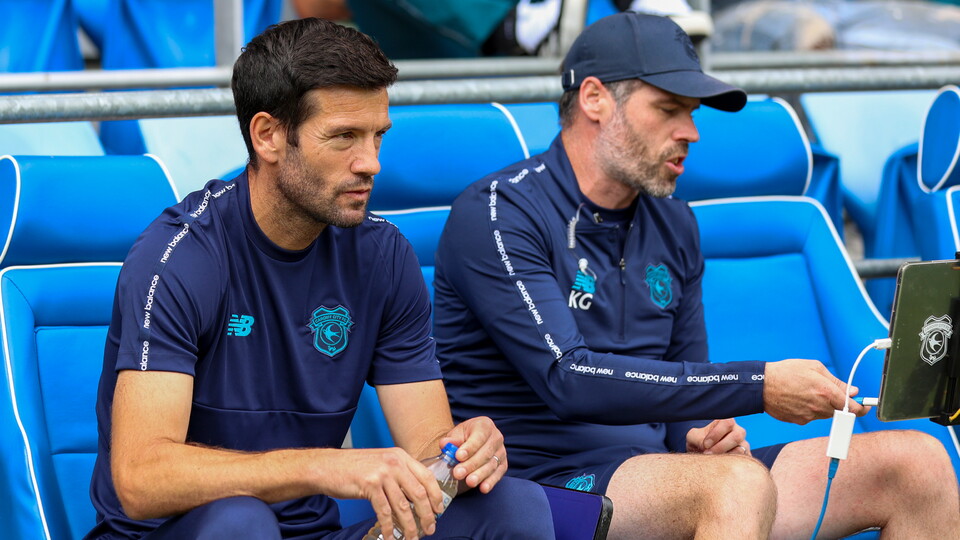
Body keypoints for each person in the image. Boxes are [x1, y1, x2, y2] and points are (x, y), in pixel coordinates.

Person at [433, 11, 960, 539]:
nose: (691, 132)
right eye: (668, 109)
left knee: (918, 464)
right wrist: (759, 385)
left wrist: (702, 435)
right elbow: (569, 378)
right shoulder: (499, 212)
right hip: (539, 487)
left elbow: (686, 381)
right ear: (594, 99)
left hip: (660, 476)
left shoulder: (674, 221)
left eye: (691, 112)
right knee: (734, 486)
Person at [85, 17, 555, 540]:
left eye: (378, 136)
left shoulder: (383, 255)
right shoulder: (179, 257)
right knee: (242, 522)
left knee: (512, 506)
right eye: (344, 137)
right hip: (183, 534)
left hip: (314, 534)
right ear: (268, 136)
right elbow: (141, 478)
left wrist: (461, 456)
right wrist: (322, 467)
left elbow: (427, 451)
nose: (371, 163)